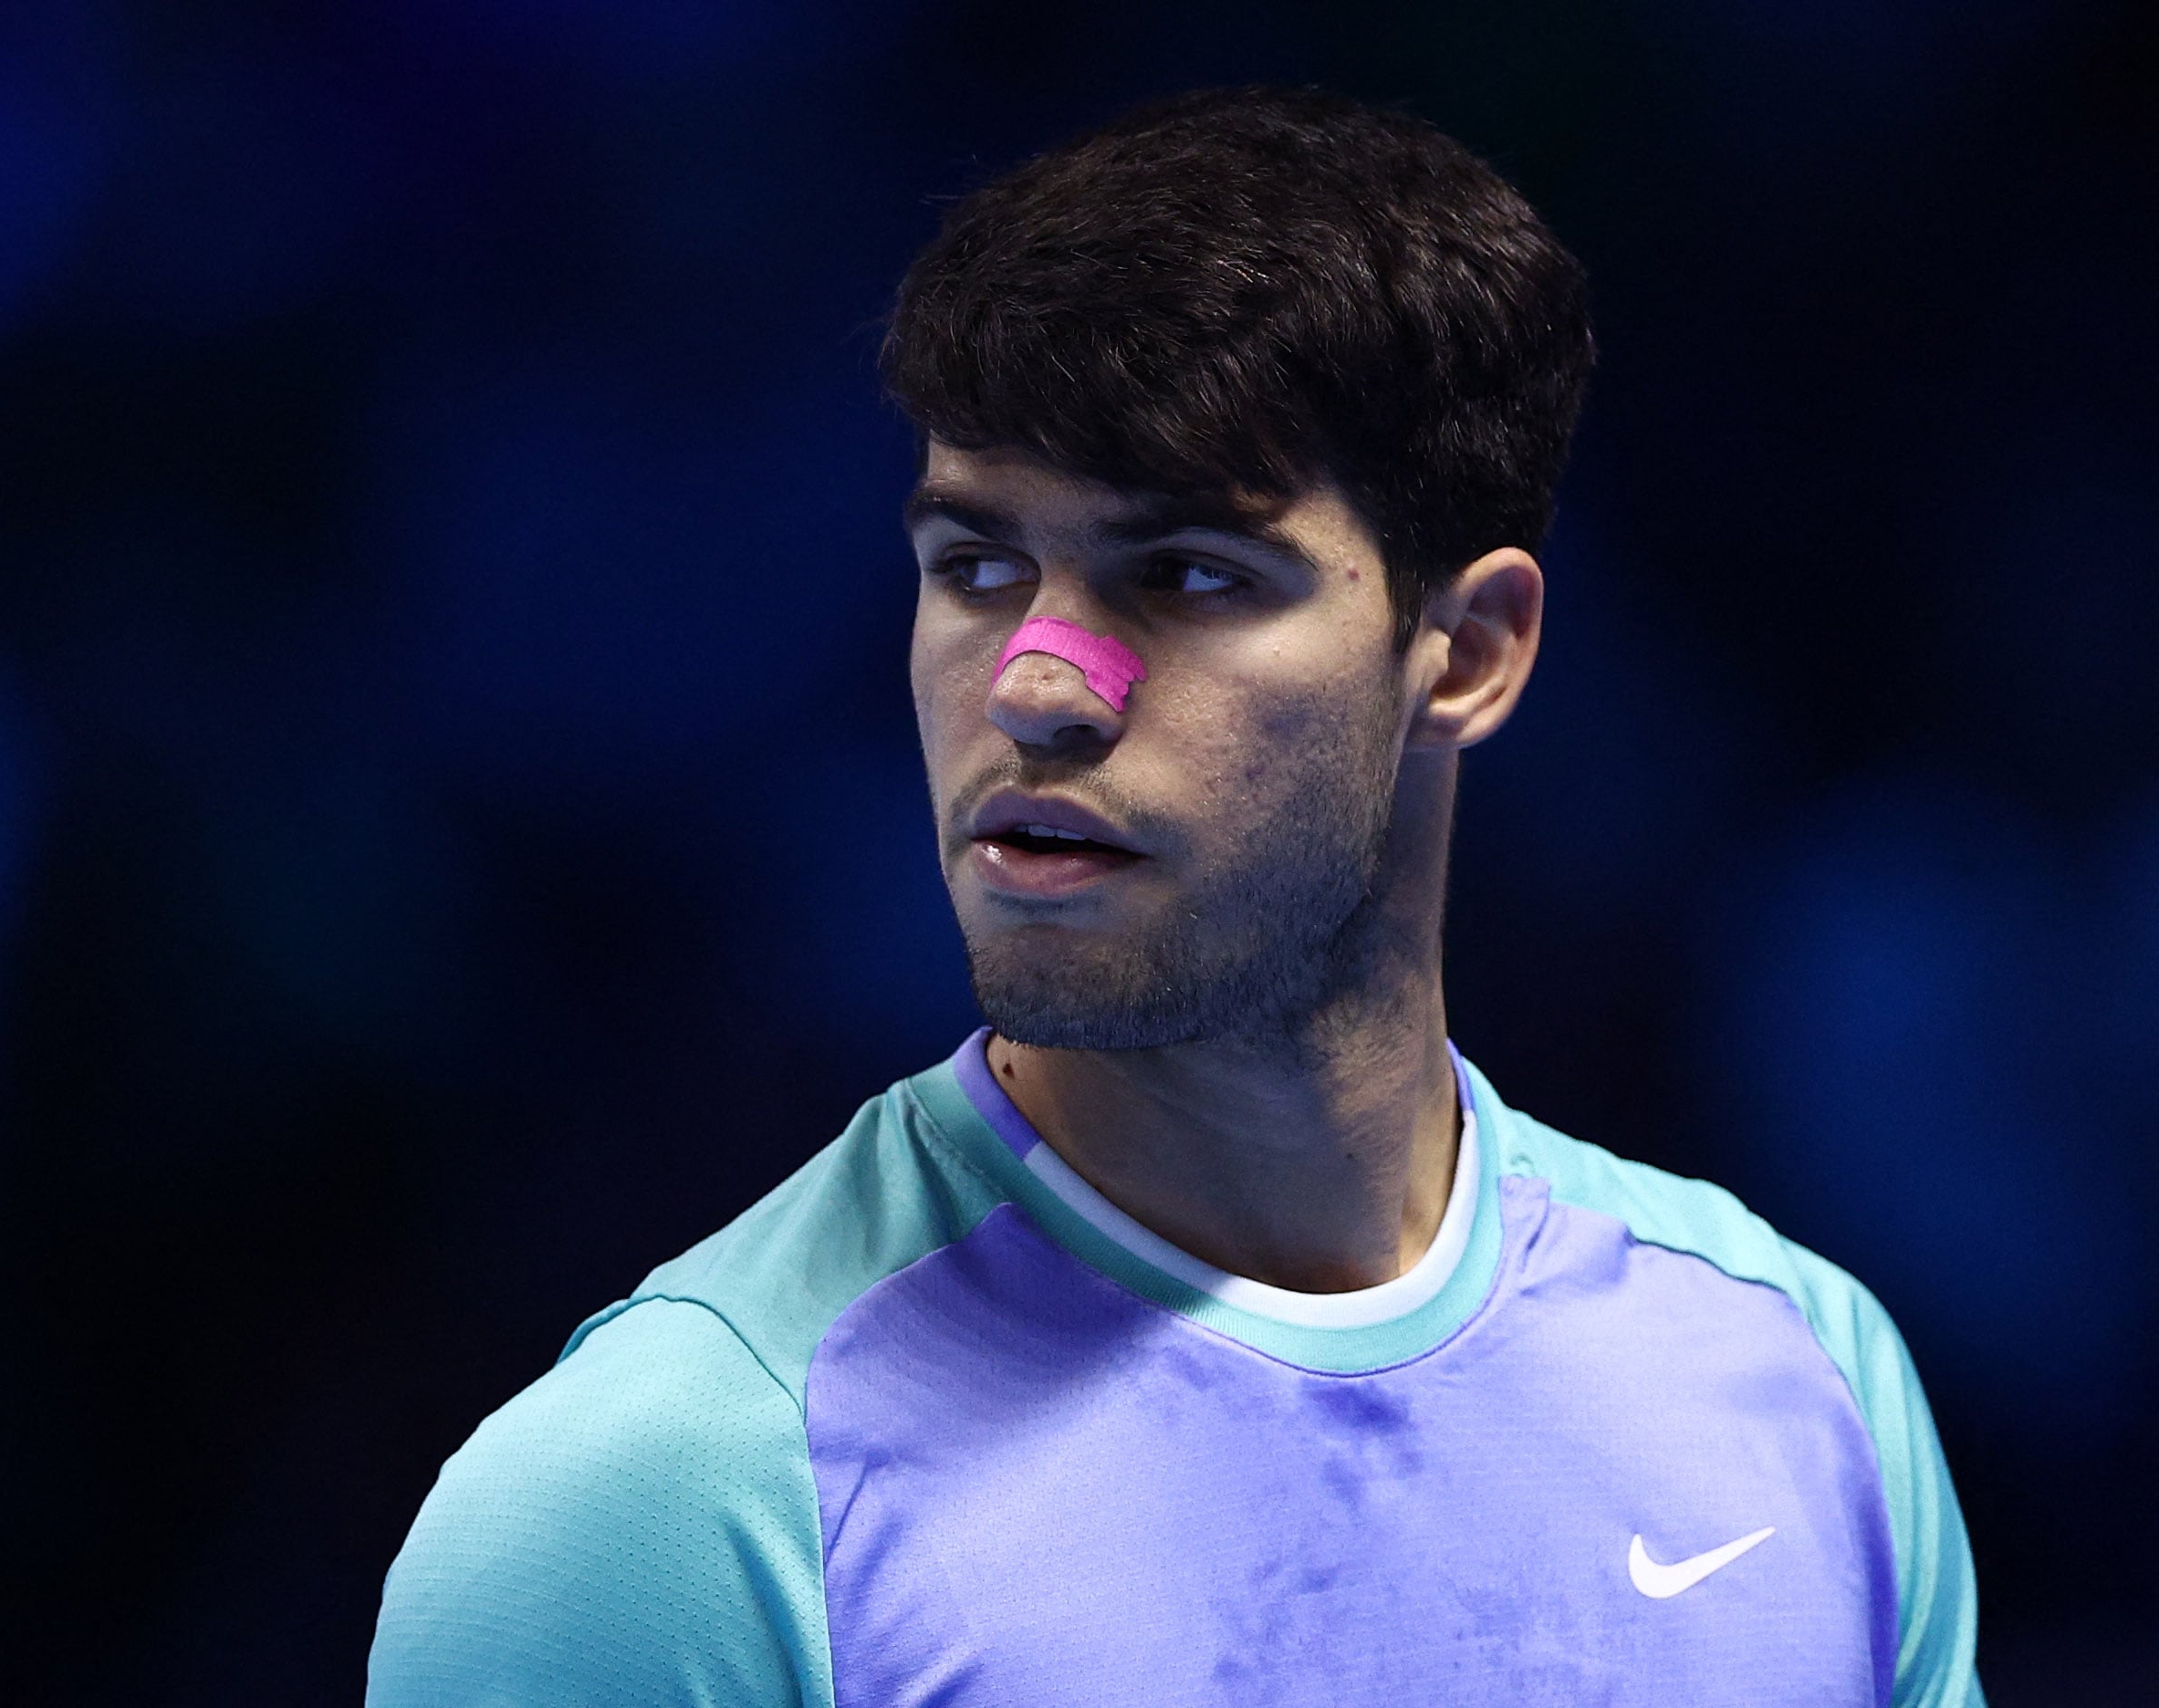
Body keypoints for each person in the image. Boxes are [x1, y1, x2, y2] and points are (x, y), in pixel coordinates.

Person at [365, 86, 1981, 1707]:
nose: (1041, 688)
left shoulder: (1804, 1380)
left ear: (1470, 653)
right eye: (978, 567)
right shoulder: (660, 1506)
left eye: (1191, 573)